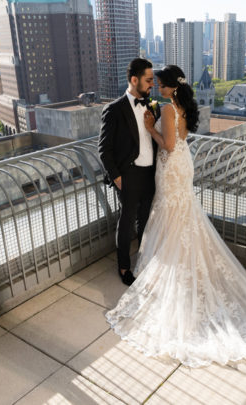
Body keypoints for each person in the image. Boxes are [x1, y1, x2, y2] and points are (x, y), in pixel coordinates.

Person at [105, 65, 246, 367]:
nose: (158, 87)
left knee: (169, 211)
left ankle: (168, 263)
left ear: (171, 87)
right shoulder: (184, 107)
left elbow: (167, 144)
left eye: (162, 84)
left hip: (170, 166)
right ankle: (177, 258)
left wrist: (151, 126)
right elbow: (179, 142)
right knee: (183, 213)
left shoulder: (167, 109)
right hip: (183, 164)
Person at [99, 58, 160, 286]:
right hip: (129, 175)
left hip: (149, 174)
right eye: (148, 80)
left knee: (146, 222)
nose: (152, 84)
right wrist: (117, 177)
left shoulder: (153, 106)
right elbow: (104, 149)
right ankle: (124, 267)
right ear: (134, 80)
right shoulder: (114, 110)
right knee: (126, 224)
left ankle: (143, 263)